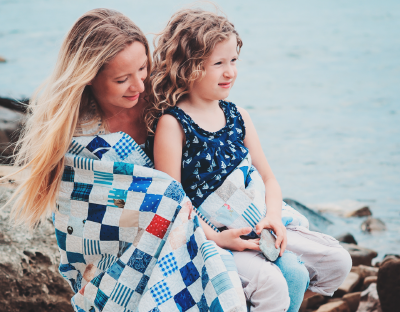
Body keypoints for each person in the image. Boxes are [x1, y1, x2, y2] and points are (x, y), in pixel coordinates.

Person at [6, 8, 249, 312]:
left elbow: (211, 145)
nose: (139, 86)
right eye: (122, 79)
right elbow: (83, 213)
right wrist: (157, 201)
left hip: (200, 223)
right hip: (117, 255)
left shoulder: (163, 97)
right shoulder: (78, 139)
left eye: (143, 69)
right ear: (89, 79)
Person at [146, 8, 352, 312]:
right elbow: (174, 202)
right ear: (187, 68)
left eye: (233, 61)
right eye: (218, 64)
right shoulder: (173, 125)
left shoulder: (238, 116)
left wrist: (272, 218)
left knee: (339, 261)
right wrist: (219, 238)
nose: (230, 72)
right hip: (213, 236)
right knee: (272, 285)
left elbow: (268, 178)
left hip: (260, 222)